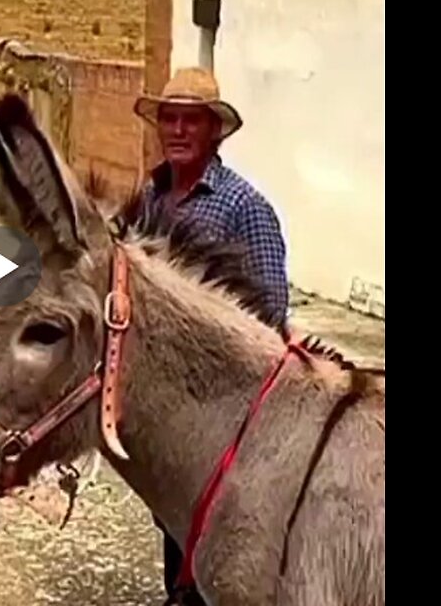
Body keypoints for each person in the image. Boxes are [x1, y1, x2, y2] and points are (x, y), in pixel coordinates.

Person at [132, 67, 289, 606]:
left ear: (214, 131)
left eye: (190, 121)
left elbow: (269, 317)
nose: (176, 130)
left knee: (224, 543)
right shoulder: (150, 198)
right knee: (174, 524)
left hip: (225, 416)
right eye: (168, 119)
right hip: (167, 411)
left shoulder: (246, 208)